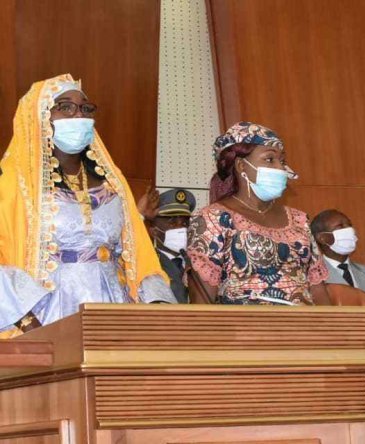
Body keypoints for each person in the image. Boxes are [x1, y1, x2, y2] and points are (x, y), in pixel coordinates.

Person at [0, 74, 176, 338]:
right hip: (46, 316)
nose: (78, 115)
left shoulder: (113, 184)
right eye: (65, 107)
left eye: (85, 108)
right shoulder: (14, 182)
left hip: (112, 311)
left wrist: (157, 306)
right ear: (41, 116)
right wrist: (27, 323)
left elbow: (139, 253)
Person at [186, 122, 330, 305]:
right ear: (241, 166)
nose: (280, 168)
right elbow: (202, 304)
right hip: (246, 331)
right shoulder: (213, 219)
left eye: (282, 161)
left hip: (306, 330)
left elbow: (318, 290)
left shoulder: (300, 220)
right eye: (270, 159)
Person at [311, 209, 365, 299]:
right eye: (340, 226)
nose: (349, 230)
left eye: (349, 225)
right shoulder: (312, 275)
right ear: (322, 238)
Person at [139, 188, 196, 303]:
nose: (181, 229)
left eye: (185, 223)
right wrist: (139, 215)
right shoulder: (148, 261)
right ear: (154, 232)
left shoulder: (197, 262)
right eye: (172, 223)